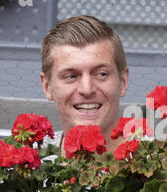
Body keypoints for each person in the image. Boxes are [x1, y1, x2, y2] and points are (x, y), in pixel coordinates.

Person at [40, 15, 129, 154]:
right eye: (71, 76)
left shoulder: (160, 159)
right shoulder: (28, 163)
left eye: (101, 74)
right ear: (47, 87)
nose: (87, 90)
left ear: (123, 82)